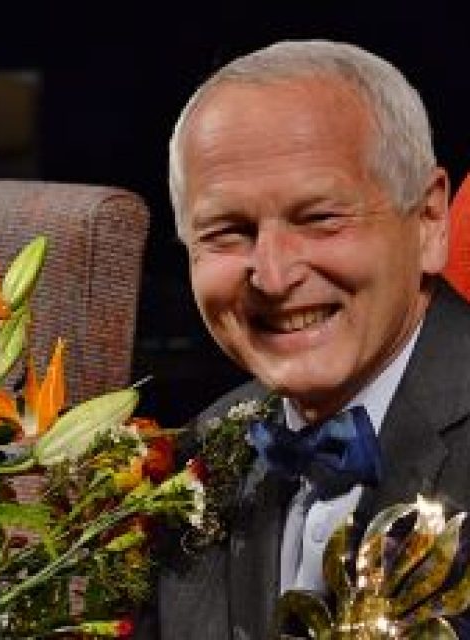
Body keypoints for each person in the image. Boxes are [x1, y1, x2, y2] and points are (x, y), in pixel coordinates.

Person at [135, 39, 470, 639]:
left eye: (320, 219)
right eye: (228, 231)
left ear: (428, 222)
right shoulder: (196, 459)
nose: (273, 275)